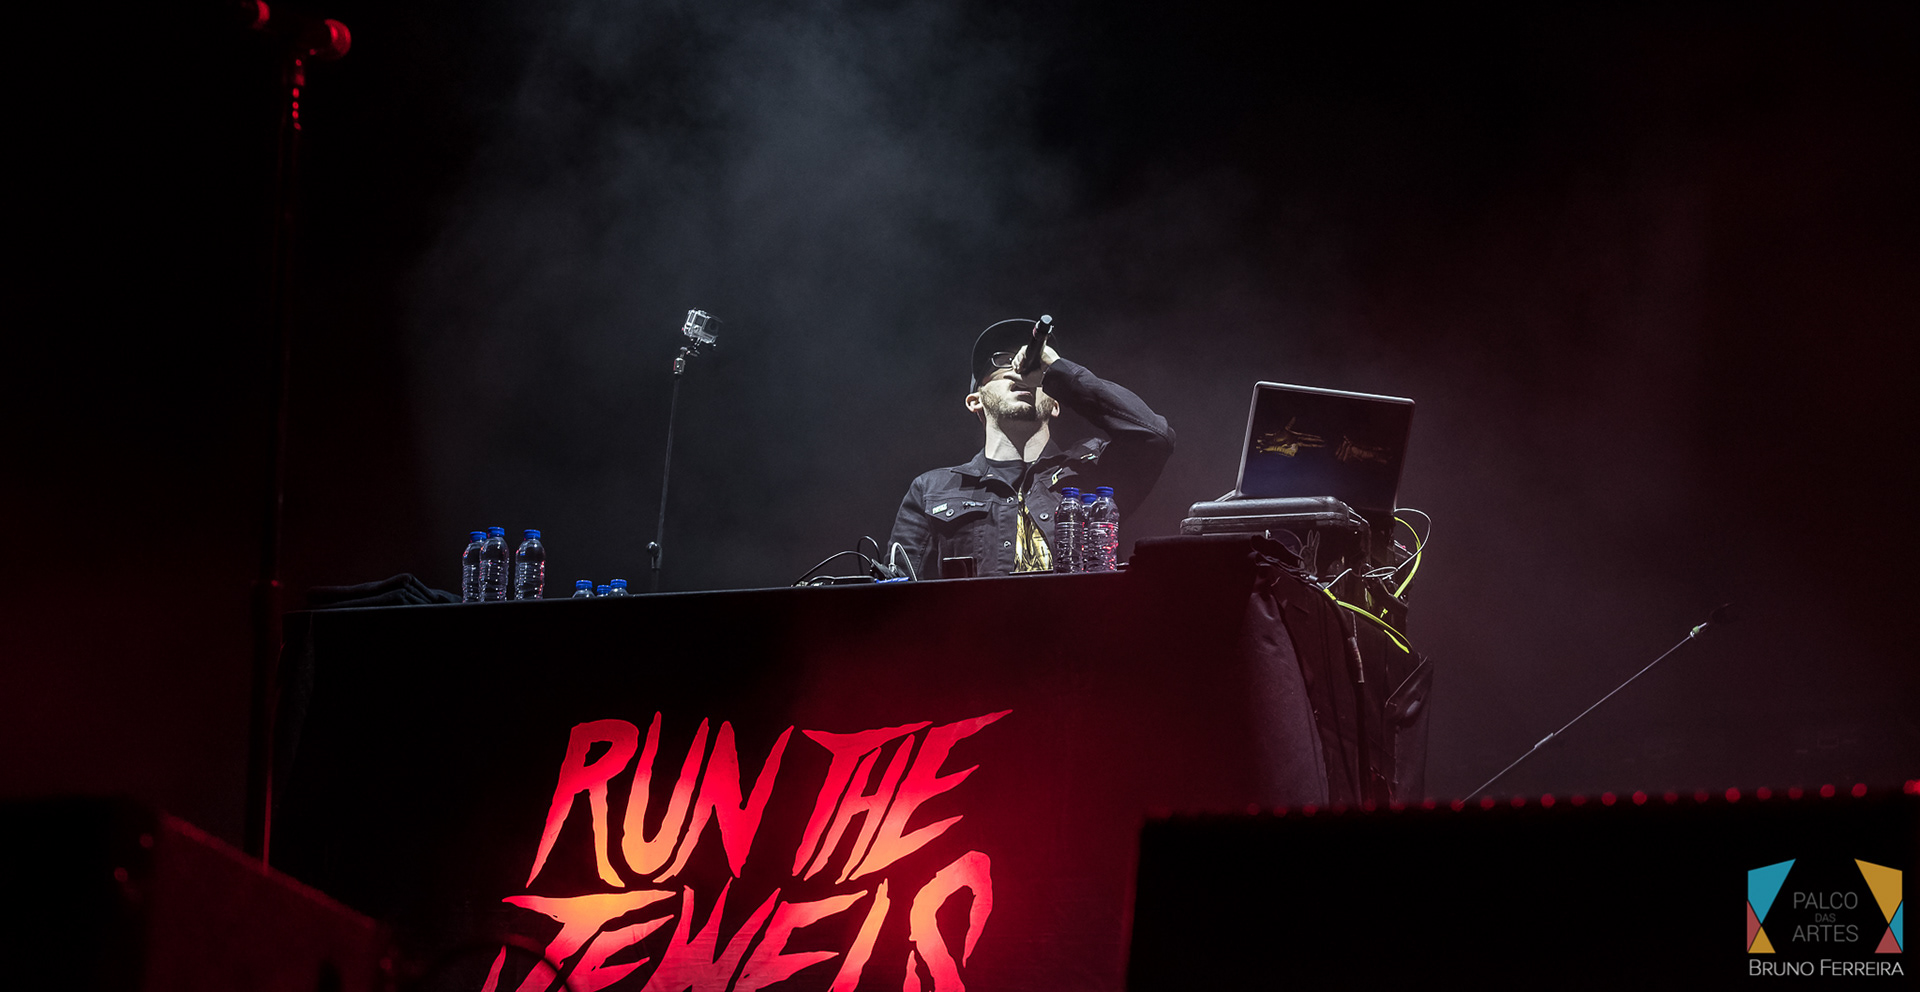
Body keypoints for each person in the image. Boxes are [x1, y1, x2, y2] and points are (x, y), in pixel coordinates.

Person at [887, 319, 1175, 579]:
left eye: (1031, 363)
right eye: (1003, 361)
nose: (1020, 368)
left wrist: (1057, 371)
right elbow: (895, 595)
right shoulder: (932, 489)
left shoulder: (1092, 468)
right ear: (976, 401)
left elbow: (1154, 436)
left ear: (1056, 404)